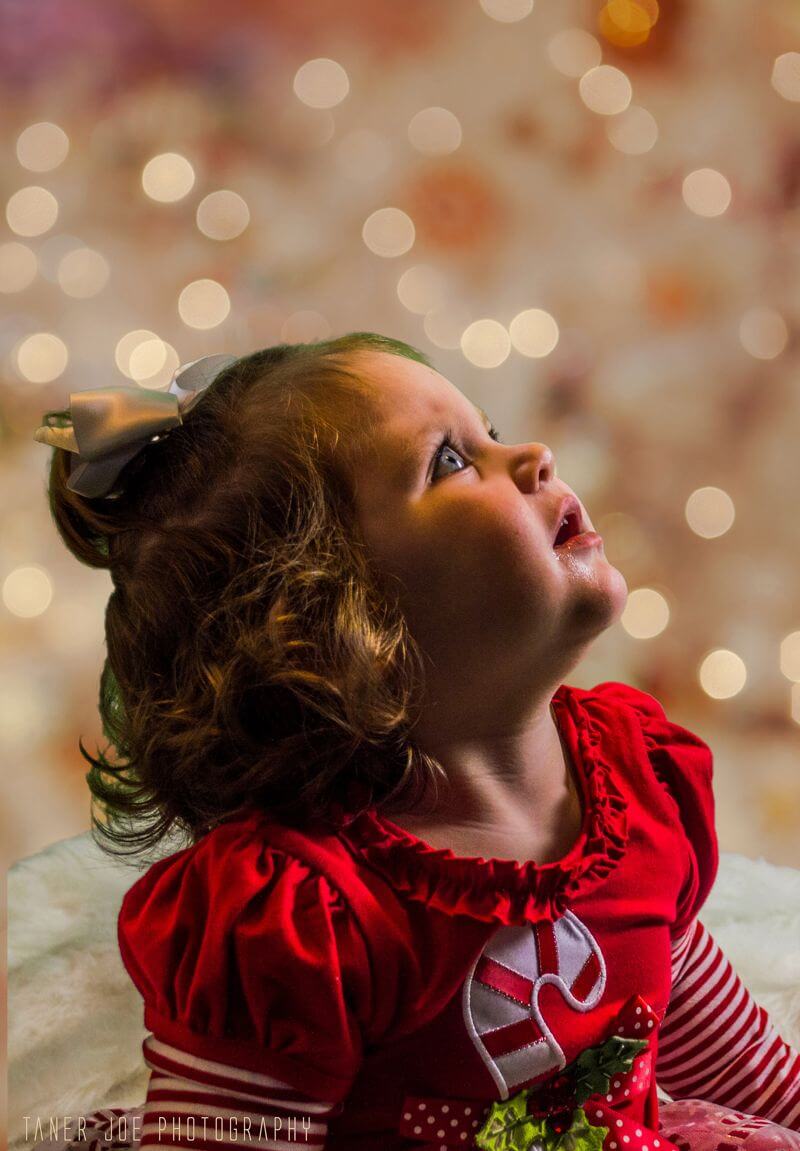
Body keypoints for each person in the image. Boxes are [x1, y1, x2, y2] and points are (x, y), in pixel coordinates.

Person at [30, 334, 800, 1151]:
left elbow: (728, 1056)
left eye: (493, 429)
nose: (533, 454)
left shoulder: (635, 779)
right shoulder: (304, 917)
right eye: (449, 461)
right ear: (334, 621)